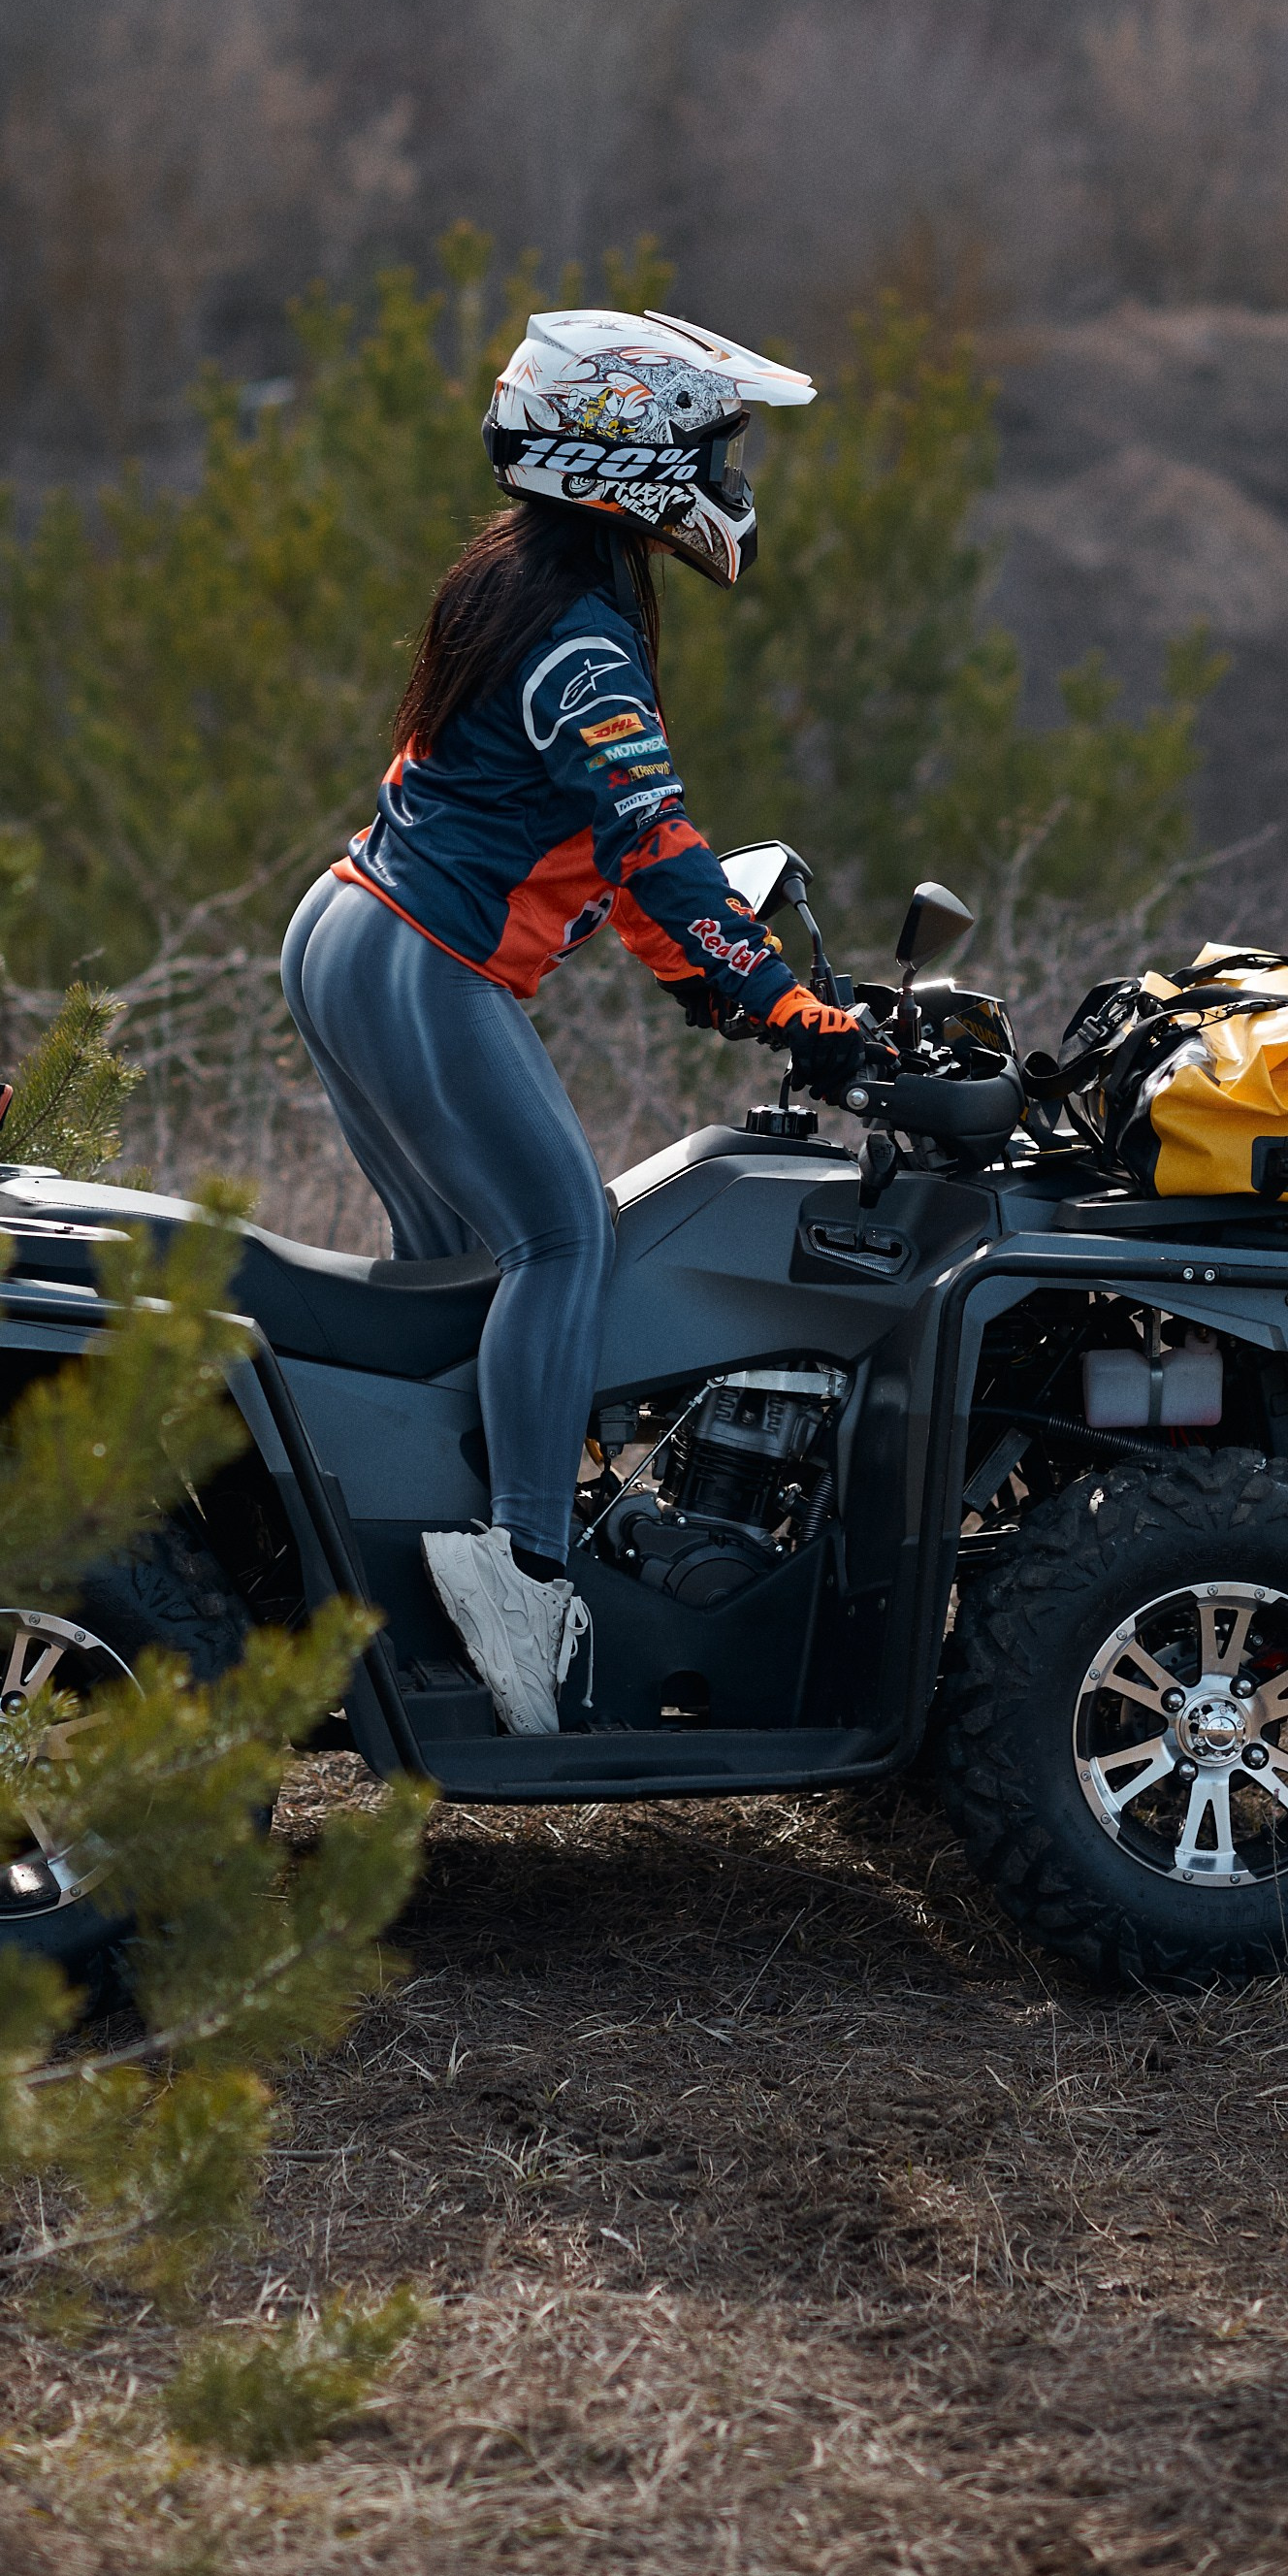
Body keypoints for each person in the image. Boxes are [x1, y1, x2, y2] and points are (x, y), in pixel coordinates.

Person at [278, 307, 865, 1736]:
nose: (731, 481)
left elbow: (611, 853)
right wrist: (783, 1000)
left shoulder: (511, 583)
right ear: (630, 456)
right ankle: (526, 1578)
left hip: (347, 930)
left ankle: (422, 1553)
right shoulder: (585, 643)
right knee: (565, 1242)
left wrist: (721, 981)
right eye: (714, 451)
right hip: (426, 960)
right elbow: (654, 843)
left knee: (458, 1272)